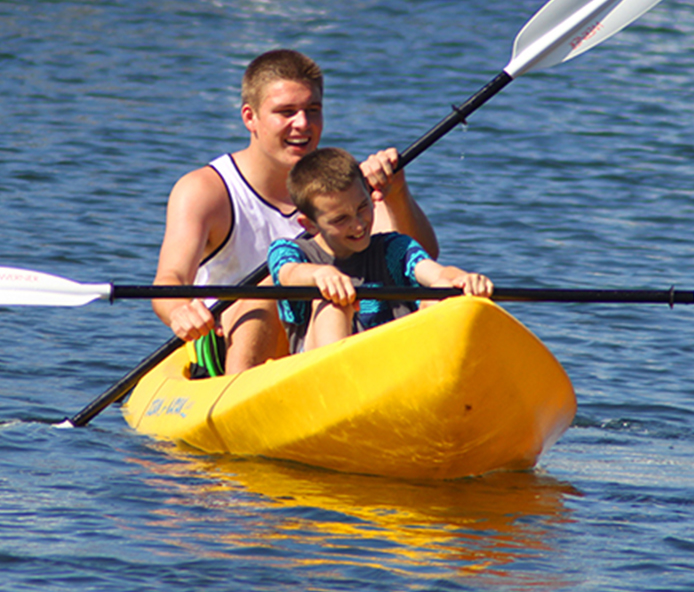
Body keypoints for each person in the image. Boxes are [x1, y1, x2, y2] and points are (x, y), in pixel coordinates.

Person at [152, 49, 438, 375]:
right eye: (286, 112)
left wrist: (396, 193)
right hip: (230, 344)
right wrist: (179, 311)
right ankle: (243, 394)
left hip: (331, 338)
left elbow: (417, 261)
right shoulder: (205, 190)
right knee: (268, 286)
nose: (302, 124)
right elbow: (169, 280)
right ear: (250, 117)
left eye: (312, 110)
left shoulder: (345, 187)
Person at [267, 147, 493, 353]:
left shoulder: (394, 248)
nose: (358, 224)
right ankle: (337, 383)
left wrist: (463, 279)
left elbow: (438, 273)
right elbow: (288, 272)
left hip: (397, 367)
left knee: (444, 291)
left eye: (362, 207)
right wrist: (319, 274)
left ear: (370, 196)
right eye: (341, 219)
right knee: (333, 303)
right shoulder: (290, 251)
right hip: (323, 374)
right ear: (310, 225)